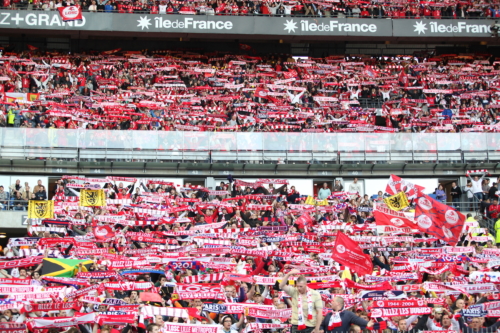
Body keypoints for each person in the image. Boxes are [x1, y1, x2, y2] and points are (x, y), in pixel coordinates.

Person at [279, 269, 323, 333]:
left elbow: (319, 312)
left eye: (301, 286)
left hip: (310, 326)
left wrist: (317, 328)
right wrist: (288, 274)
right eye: (297, 286)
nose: (299, 288)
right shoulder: (294, 291)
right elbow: (281, 286)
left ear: (306, 284)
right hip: (296, 325)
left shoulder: (315, 294)